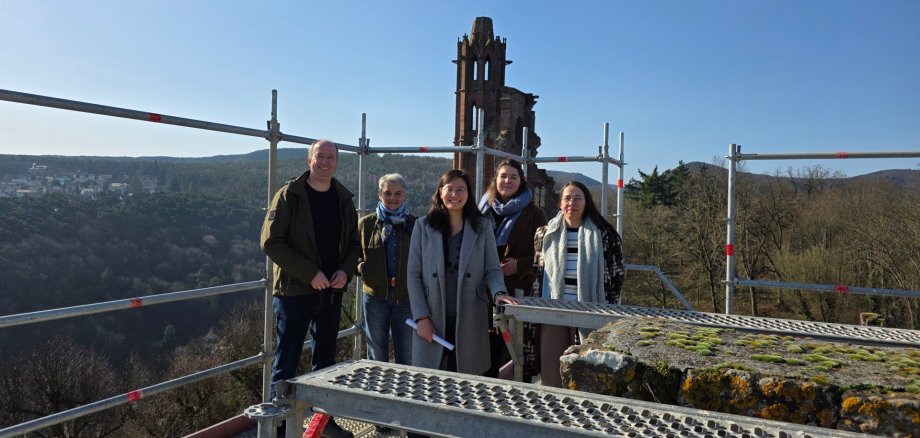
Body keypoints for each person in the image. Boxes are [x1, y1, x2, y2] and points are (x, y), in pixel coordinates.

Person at [260, 139, 359, 438]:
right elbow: (271, 242)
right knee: (286, 362)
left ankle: (322, 424)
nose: (325, 162)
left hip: (330, 293)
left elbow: (354, 244)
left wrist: (345, 270)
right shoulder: (289, 195)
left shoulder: (343, 198)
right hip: (294, 293)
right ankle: (279, 428)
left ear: (337, 161)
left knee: (326, 363)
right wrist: (310, 273)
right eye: (320, 156)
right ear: (309, 160)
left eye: (331, 157)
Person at [407, 169, 519, 376]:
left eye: (461, 189)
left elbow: (492, 269)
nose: (455, 195)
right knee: (430, 381)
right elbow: (413, 275)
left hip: (470, 314)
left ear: (468, 194)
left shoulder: (482, 226)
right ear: (440, 192)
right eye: (449, 189)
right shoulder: (423, 226)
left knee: (467, 381)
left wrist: (498, 293)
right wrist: (421, 318)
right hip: (432, 315)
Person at [534, 181, 625, 387]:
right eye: (567, 198)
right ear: (560, 203)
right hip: (554, 312)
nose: (571, 203)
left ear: (587, 202)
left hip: (591, 314)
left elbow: (616, 277)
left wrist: (608, 315)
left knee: (587, 378)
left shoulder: (605, 235)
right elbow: (538, 273)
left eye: (577, 198)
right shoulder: (545, 234)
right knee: (552, 377)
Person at [478, 160, 547, 379]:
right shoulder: (481, 210)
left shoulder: (535, 214)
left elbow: (544, 255)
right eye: (503, 176)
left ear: (522, 181)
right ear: (495, 180)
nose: (507, 181)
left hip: (517, 291)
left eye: (513, 177)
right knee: (485, 351)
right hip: (483, 291)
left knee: (514, 353)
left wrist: (520, 265)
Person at [357, 173, 415, 365]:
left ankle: (405, 392)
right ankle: (377, 393)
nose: (392, 198)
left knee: (407, 353)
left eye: (398, 193)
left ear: (404, 195)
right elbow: (353, 253)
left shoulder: (415, 225)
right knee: (376, 355)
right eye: (387, 193)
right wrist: (362, 267)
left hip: (406, 298)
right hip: (375, 297)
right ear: (379, 194)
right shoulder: (366, 224)